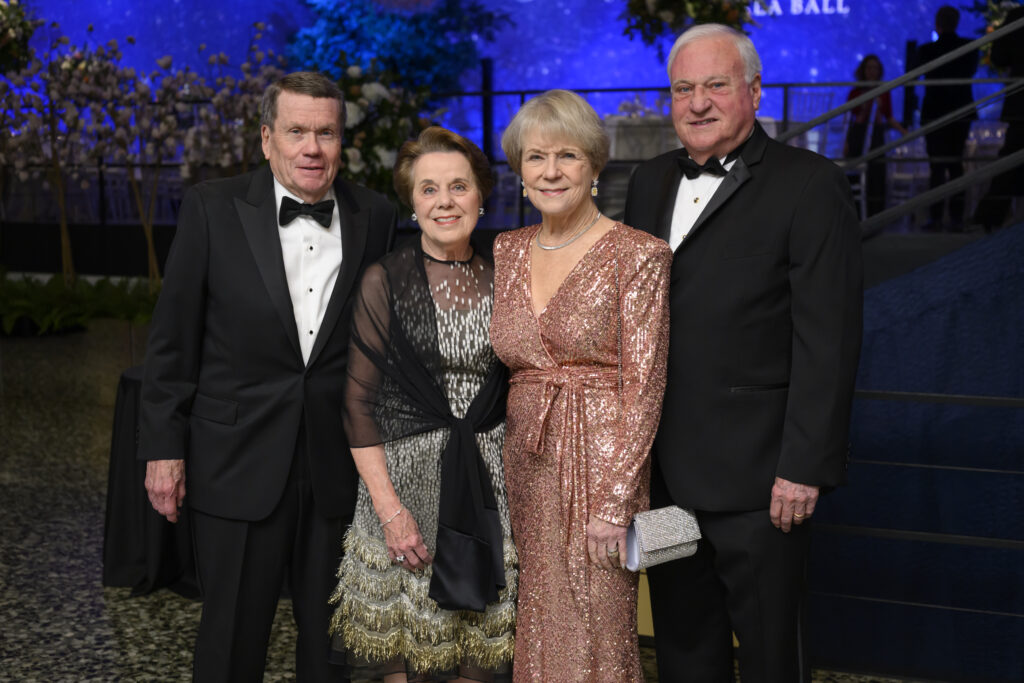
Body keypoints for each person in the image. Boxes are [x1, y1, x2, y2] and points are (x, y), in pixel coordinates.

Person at [623, 24, 862, 682]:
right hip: (666, 479)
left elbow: (829, 338)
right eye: (683, 89)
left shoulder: (810, 185)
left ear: (754, 94)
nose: (697, 102)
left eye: (716, 86)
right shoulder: (647, 182)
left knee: (769, 657)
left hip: (762, 483)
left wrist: (803, 466)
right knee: (682, 645)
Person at [139, 71, 396, 681]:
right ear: (266, 139)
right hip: (236, 455)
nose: (312, 147)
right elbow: (172, 342)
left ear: (342, 141)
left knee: (333, 647)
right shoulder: (211, 208)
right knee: (230, 640)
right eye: (297, 131)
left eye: (326, 132)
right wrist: (163, 449)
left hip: (337, 464)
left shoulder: (375, 215)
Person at [489, 89, 672, 682]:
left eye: (567, 155)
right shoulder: (508, 250)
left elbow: (645, 385)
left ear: (594, 165)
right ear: (519, 170)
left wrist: (617, 502)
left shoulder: (638, 255)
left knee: (598, 627)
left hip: (600, 471)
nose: (551, 171)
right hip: (526, 464)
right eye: (536, 157)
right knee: (537, 616)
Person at [327, 126, 516, 682]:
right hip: (402, 493)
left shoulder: (511, 274)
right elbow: (358, 404)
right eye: (429, 189)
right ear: (412, 202)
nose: (444, 201)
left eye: (458, 187)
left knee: (478, 659)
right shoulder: (384, 280)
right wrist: (391, 512)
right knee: (402, 663)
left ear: (482, 196)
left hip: (489, 492)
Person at [917, 4, 978, 229]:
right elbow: (969, 72)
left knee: (937, 167)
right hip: (960, 113)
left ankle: (935, 218)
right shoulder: (970, 47)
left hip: (934, 114)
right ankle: (956, 218)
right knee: (955, 165)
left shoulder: (925, 51)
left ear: (937, 24)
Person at [973, 5, 1024, 231]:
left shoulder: (1017, 17)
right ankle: (991, 216)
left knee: (1012, 157)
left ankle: (990, 217)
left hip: (1021, 100)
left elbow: (999, 57)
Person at [844, 54, 909, 217]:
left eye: (875, 68)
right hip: (859, 135)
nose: (872, 71)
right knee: (856, 171)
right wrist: (866, 107)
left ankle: (875, 213)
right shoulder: (855, 92)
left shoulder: (884, 92)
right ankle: (856, 213)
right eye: (869, 68)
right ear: (863, 70)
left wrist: (903, 131)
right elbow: (852, 120)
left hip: (876, 136)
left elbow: (889, 117)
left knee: (877, 172)